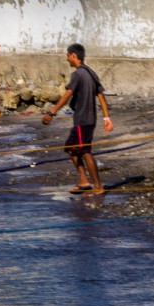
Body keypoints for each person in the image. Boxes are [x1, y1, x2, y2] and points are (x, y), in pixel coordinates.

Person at [41, 43, 112, 195]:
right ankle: (84, 181)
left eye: (68, 56)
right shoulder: (91, 73)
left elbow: (67, 94)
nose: (67, 59)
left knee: (85, 151)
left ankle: (98, 186)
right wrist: (106, 117)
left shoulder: (78, 74)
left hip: (83, 121)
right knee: (71, 149)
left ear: (74, 55)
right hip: (89, 120)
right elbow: (101, 96)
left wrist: (51, 112)